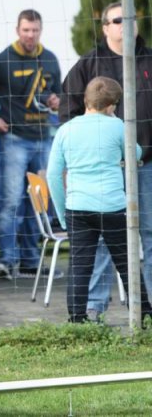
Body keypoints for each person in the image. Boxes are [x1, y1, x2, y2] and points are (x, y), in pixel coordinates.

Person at [59, 1, 152, 322]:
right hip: (104, 173)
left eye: (130, 18)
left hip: (146, 166)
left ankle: (146, 308)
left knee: (149, 235)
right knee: (98, 243)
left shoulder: (149, 60)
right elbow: (68, 113)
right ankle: (94, 307)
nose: (125, 24)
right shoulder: (88, 65)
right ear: (105, 27)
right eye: (117, 20)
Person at [0, 9, 61, 279]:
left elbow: (60, 96)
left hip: (43, 140)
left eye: (35, 30)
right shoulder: (2, 60)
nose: (30, 35)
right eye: (26, 30)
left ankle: (30, 261)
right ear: (17, 30)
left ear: (41, 31)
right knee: (11, 202)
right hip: (14, 141)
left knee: (39, 203)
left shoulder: (50, 59)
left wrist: (56, 101)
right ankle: (6, 261)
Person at [47, 76, 152, 323]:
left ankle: (77, 319)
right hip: (112, 207)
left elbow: (53, 174)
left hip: (77, 208)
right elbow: (136, 153)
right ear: (112, 105)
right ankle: (144, 316)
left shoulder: (65, 129)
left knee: (80, 267)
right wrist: (117, 123)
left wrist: (63, 213)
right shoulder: (118, 127)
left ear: (85, 100)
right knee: (127, 264)